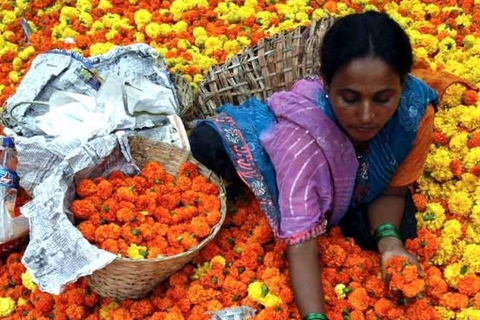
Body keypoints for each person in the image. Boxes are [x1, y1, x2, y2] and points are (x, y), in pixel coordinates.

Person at [189, 11, 466, 320]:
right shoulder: (301, 145)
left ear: (403, 85)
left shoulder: (413, 112)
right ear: (326, 85)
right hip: (270, 145)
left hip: (348, 174)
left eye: (383, 99)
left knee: (397, 231)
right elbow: (303, 243)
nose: (365, 115)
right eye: (349, 99)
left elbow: (393, 190)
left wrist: (390, 244)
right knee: (207, 146)